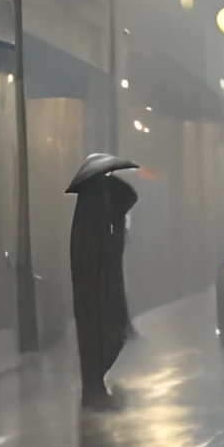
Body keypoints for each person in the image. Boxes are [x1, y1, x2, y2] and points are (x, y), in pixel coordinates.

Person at [69, 156, 139, 406]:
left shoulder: (98, 209)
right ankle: (93, 388)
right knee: (101, 336)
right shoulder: (93, 210)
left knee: (108, 336)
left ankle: (95, 386)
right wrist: (118, 222)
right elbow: (102, 251)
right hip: (94, 288)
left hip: (101, 284)